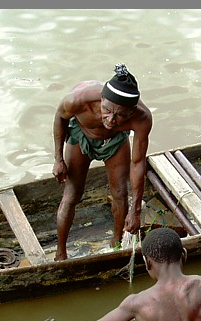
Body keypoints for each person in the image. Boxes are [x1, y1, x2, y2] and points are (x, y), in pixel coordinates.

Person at [52, 63, 153, 260]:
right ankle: (60, 253)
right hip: (81, 135)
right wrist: (58, 159)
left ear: (131, 113)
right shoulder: (78, 100)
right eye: (106, 110)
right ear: (101, 100)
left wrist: (136, 210)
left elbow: (138, 162)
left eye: (121, 115)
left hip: (115, 141)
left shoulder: (142, 118)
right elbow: (59, 117)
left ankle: (116, 244)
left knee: (120, 193)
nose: (111, 119)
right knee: (72, 194)